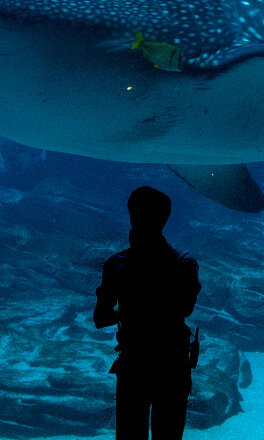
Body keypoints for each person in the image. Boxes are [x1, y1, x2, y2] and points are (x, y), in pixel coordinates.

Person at [95, 186, 202, 440]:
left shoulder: (117, 265)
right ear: (165, 218)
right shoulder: (185, 263)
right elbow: (186, 309)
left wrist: (129, 312)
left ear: (132, 216)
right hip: (172, 365)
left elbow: (100, 319)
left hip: (135, 365)